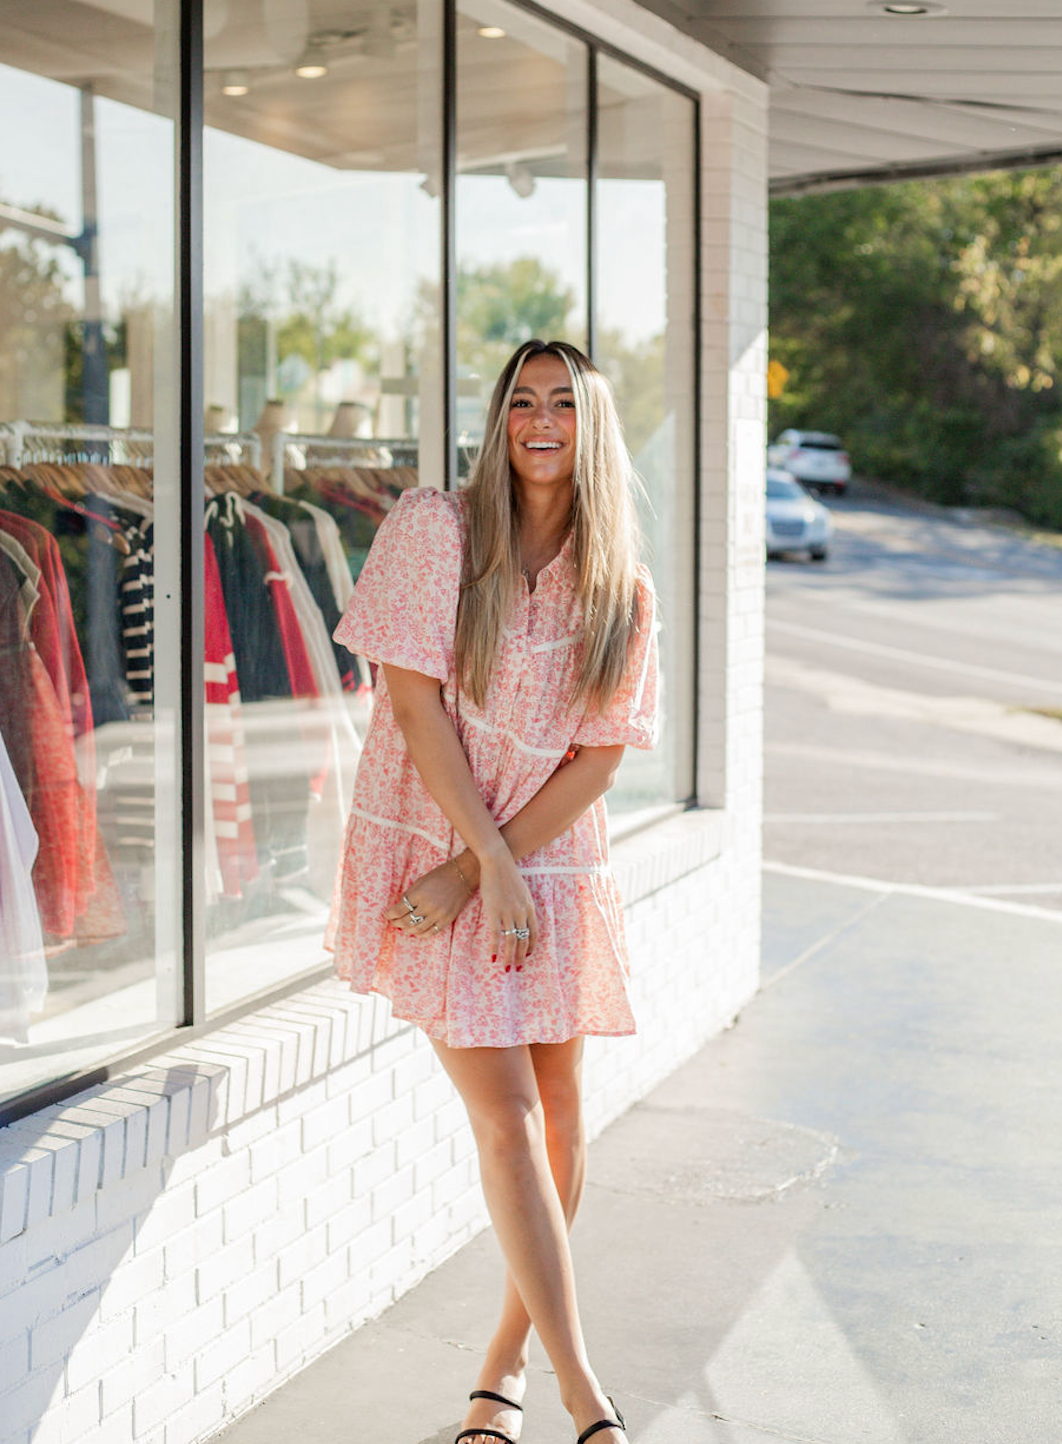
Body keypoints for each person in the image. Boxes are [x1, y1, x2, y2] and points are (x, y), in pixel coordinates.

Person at [326, 339, 658, 1444]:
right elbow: (414, 708)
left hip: (542, 863)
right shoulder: (437, 528)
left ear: (593, 425)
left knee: (562, 1122)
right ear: (500, 418)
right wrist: (473, 862)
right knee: (509, 1121)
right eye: (522, 399)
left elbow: (602, 759)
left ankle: (498, 1377)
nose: (540, 418)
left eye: (564, 401)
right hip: (432, 839)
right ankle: (587, 1400)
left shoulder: (622, 587)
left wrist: (493, 869)